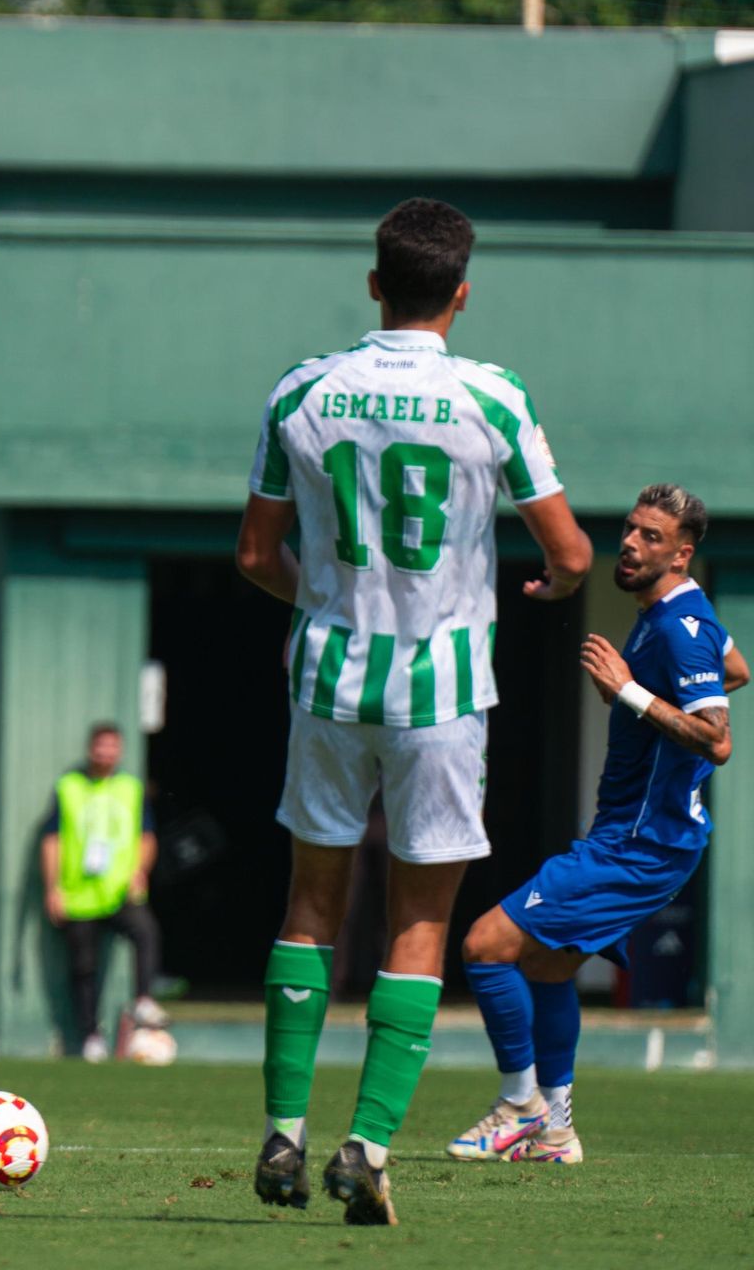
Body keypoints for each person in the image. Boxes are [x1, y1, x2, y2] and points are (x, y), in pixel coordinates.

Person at [237, 197, 593, 1225]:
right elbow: (570, 552)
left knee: (311, 905)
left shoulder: (302, 390)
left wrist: (319, 597)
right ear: (461, 293)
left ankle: (284, 1131)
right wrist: (557, 586)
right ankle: (367, 1144)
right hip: (441, 690)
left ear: (374, 283)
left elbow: (256, 555)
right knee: (420, 921)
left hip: (328, 678)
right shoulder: (492, 396)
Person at [449, 485, 747, 1166]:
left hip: (642, 844)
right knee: (547, 966)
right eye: (631, 530)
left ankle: (520, 1105)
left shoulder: (677, 627)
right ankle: (556, 1133)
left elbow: (717, 741)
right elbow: (736, 669)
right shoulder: (678, 616)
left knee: (485, 946)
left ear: (682, 554)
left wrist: (629, 692)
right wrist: (650, 695)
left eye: (651, 536)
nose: (631, 544)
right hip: (639, 839)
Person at [41, 721, 166, 1062]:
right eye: (101, 746)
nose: (106, 753)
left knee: (146, 931)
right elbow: (52, 839)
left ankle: (143, 999)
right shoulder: (69, 786)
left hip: (118, 890)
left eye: (112, 746)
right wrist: (53, 888)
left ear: (120, 751)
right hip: (79, 894)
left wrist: (140, 871)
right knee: (84, 966)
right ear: (90, 748)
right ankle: (91, 1036)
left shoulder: (131, 788)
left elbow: (146, 836)